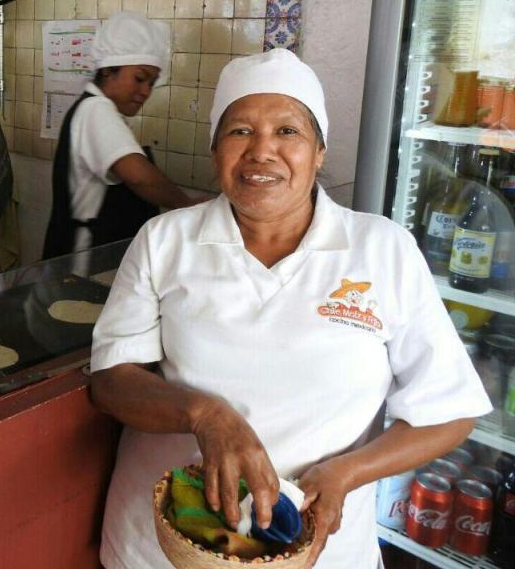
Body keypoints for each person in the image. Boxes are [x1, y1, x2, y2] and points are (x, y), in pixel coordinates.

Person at [89, 48, 492, 568]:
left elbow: (449, 411)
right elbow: (111, 381)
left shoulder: (382, 249)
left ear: (319, 151)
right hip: (165, 545)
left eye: (287, 131)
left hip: (320, 548)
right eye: (240, 131)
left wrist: (346, 473)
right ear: (215, 150)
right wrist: (205, 415)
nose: (262, 151)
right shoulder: (165, 240)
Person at [42, 12, 196, 259]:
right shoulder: (96, 110)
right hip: (86, 257)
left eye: (151, 83)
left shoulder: (94, 108)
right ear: (107, 70)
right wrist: (188, 205)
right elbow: (139, 177)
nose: (145, 91)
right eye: (139, 78)